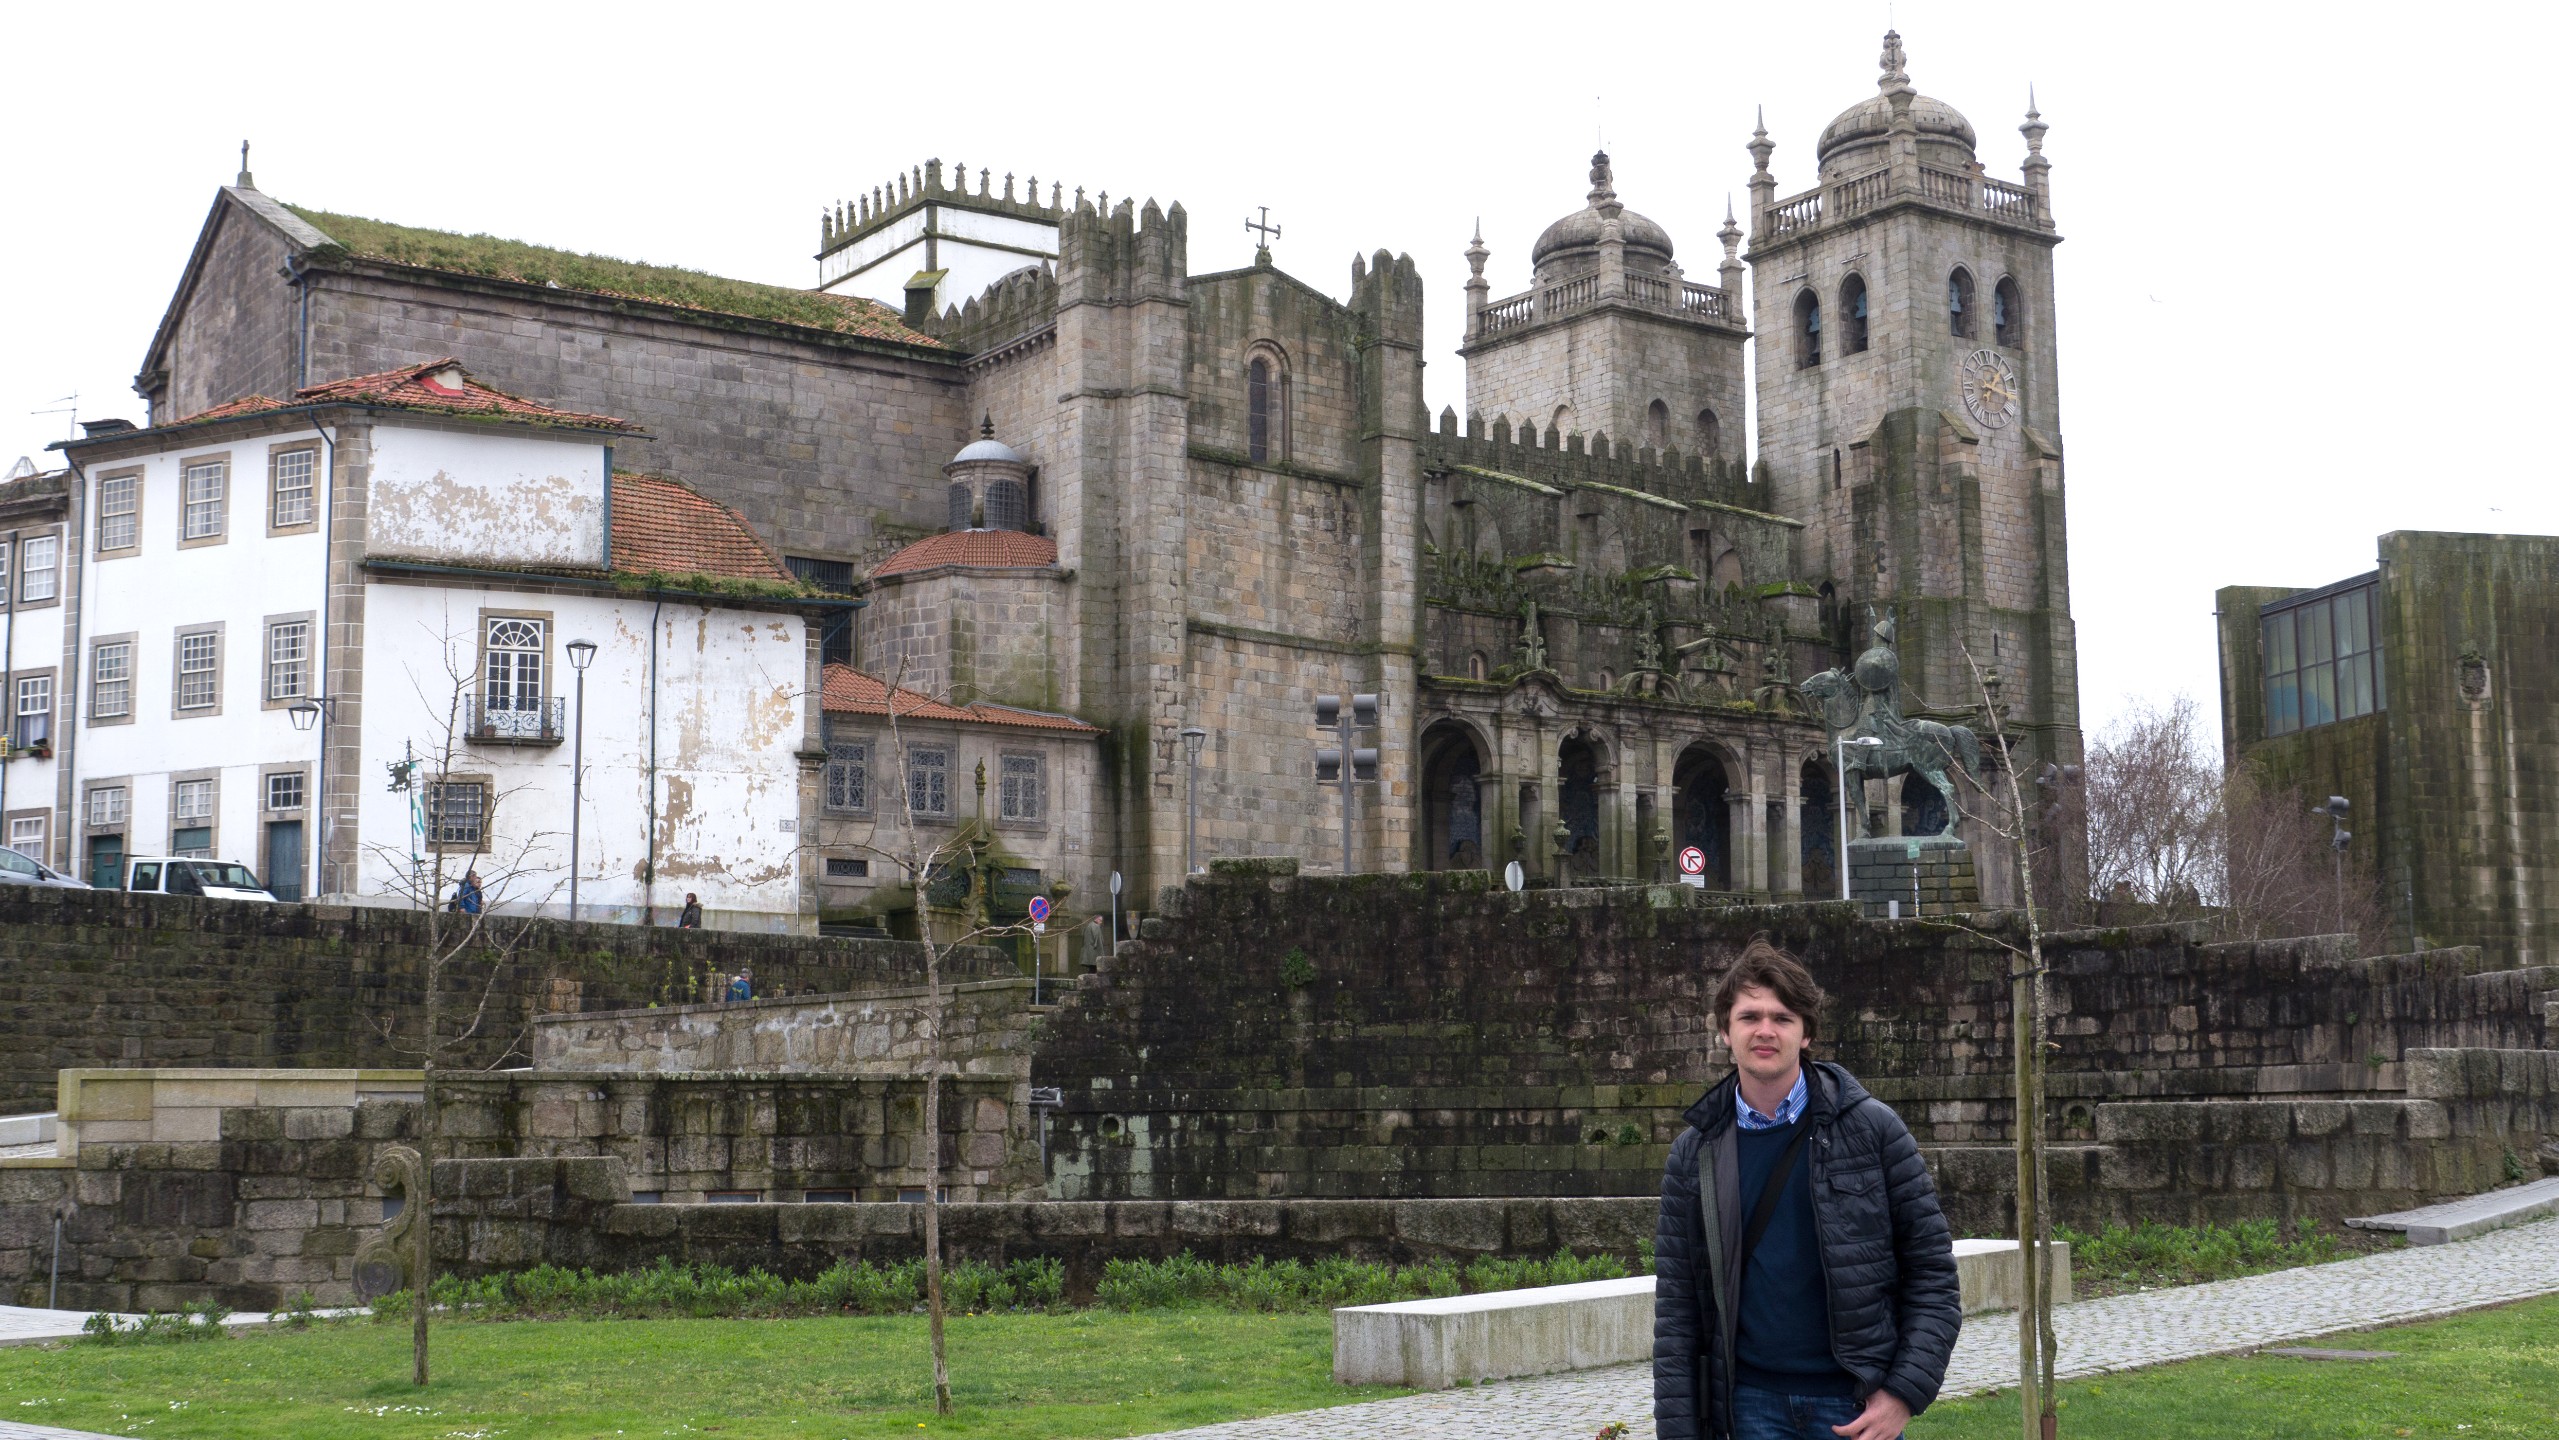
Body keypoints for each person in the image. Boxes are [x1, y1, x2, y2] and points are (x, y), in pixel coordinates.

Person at [1655, 934, 1959, 1440]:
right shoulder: (1694, 1153)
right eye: (1749, 1017)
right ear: (1725, 1032)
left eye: (1782, 1017)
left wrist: (1904, 1394)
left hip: (1853, 1405)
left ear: (1806, 1033)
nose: (1765, 1030)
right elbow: (1677, 1312)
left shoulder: (1874, 1131)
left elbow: (1932, 1276)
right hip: (1748, 1408)